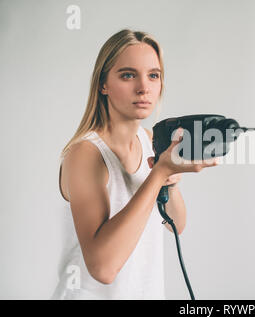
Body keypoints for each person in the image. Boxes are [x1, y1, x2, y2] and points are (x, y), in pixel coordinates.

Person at [51, 29, 219, 299]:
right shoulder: (85, 154)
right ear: (103, 84)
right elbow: (103, 268)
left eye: (153, 75)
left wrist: (170, 180)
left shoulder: (149, 139)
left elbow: (176, 223)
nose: (144, 87)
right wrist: (159, 173)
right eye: (128, 75)